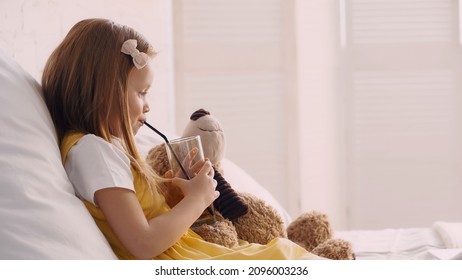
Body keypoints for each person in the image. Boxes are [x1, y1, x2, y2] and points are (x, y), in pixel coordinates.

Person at [42, 18, 322, 260]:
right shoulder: (94, 151)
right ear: (105, 93)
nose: (147, 106)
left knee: (283, 254)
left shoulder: (104, 150)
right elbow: (143, 242)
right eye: (142, 93)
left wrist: (175, 195)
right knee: (283, 256)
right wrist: (198, 200)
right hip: (179, 258)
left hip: (184, 251)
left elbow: (143, 216)